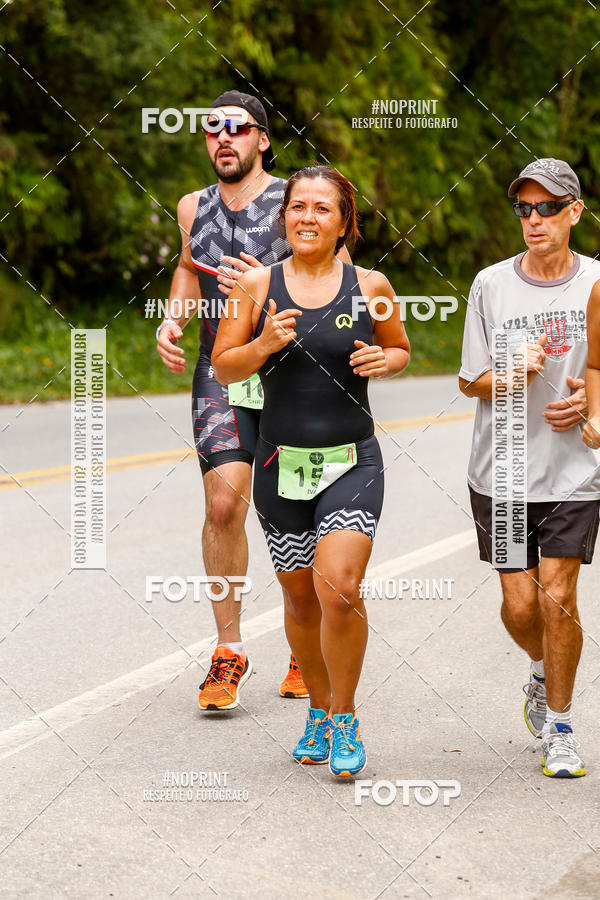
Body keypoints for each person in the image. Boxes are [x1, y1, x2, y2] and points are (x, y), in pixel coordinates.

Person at [212, 164, 410, 776]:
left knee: (339, 588)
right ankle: (318, 711)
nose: (307, 217)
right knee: (300, 601)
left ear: (343, 223)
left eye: (323, 208)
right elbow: (223, 367)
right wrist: (263, 344)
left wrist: (385, 361)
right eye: (298, 206)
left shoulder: (371, 284)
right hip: (280, 465)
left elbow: (400, 348)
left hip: (352, 460)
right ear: (285, 216)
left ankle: (345, 716)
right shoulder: (257, 286)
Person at [156, 90, 308, 709]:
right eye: (213, 127)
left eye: (237, 128)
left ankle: (305, 642)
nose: (223, 137)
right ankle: (229, 650)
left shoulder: (297, 200)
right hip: (220, 369)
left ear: (262, 139)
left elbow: (340, 275)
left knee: (293, 509)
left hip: (291, 371)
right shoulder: (192, 206)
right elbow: (188, 269)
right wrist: (173, 318)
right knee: (223, 506)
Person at [459, 158, 600, 777]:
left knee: (558, 595)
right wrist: (511, 375)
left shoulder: (596, 282)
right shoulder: (491, 285)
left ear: (575, 212)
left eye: (548, 208)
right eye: (524, 209)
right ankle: (543, 673)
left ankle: (562, 729)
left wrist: (591, 403)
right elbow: (471, 381)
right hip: (505, 473)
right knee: (521, 607)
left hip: (574, 471)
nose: (534, 219)